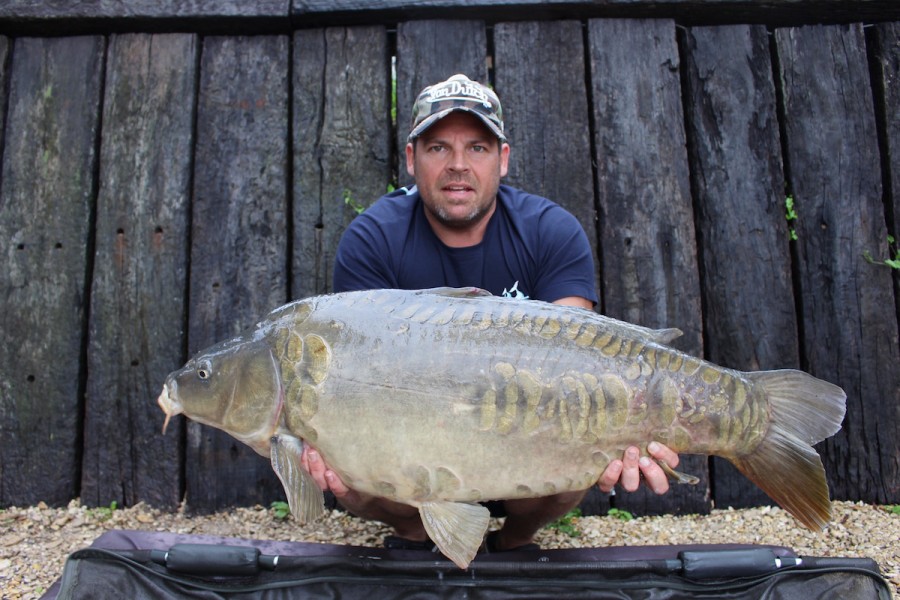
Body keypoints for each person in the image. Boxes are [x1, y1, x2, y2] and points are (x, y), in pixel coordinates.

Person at [302, 74, 680, 554]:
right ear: (412, 159)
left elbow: (578, 365)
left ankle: (516, 539)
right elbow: (355, 378)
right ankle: (417, 530)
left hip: (525, 444)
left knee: (584, 448)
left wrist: (629, 426)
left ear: (502, 159)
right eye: (438, 148)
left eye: (477, 148)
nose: (458, 165)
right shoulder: (372, 239)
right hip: (414, 440)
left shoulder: (551, 231)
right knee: (345, 471)